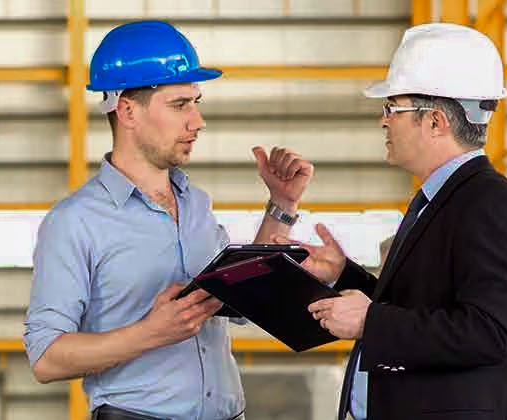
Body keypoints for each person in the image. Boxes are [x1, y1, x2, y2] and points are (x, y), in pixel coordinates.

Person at [22, 20, 315, 420]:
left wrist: (280, 205)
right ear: (127, 110)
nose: (197, 121)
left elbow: (240, 301)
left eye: (197, 103)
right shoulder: (75, 222)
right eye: (180, 105)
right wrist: (150, 333)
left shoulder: (195, 204)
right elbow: (46, 358)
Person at [289, 23, 507, 420]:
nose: (383, 121)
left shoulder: (488, 203)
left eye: (393, 108)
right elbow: (423, 308)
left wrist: (372, 322)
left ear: (436, 121)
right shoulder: (441, 199)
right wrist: (345, 276)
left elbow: (491, 330)